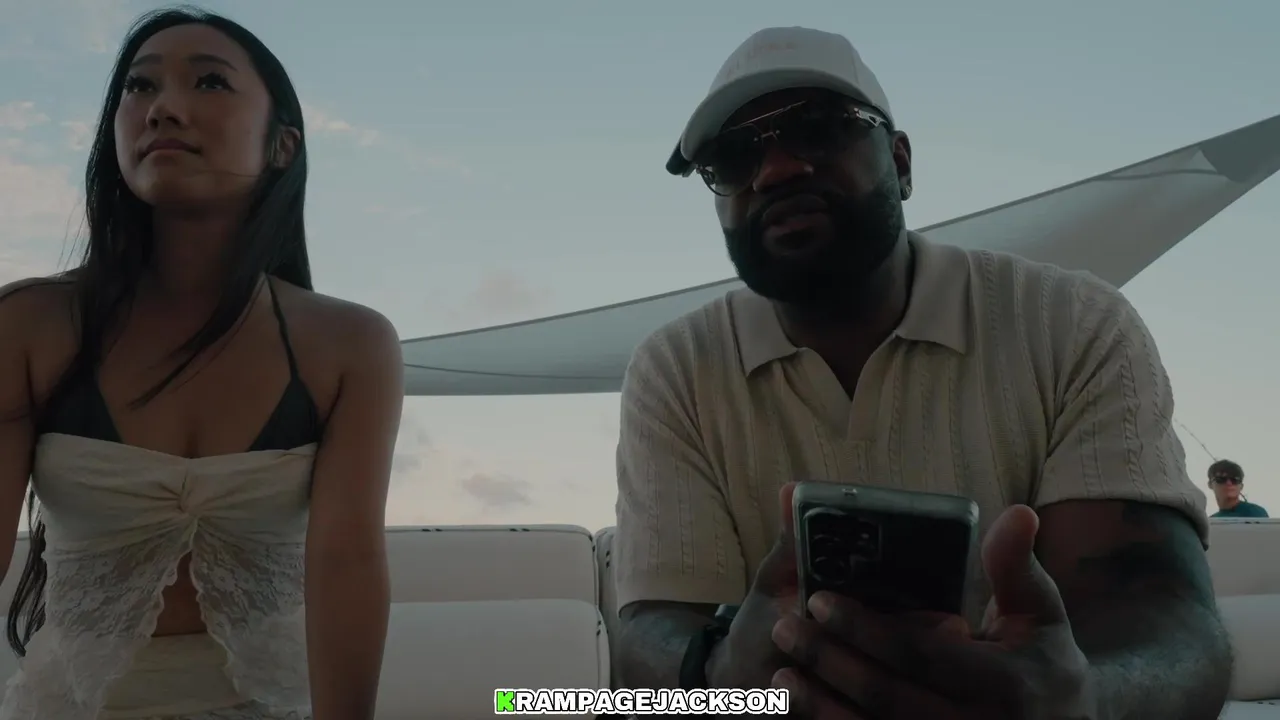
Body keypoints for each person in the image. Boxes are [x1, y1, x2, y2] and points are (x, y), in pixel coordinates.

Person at [612, 26, 1231, 720]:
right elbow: (648, 635)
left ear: (901, 163)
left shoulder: (1073, 324)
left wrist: (1085, 699)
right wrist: (719, 672)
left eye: (819, 128)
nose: (776, 171)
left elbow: (1166, 618)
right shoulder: (677, 369)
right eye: (731, 158)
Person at [0, 8, 402, 720]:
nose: (163, 108)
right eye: (139, 86)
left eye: (210, 82)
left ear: (282, 146)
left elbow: (348, 565)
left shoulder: (350, 344)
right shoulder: (29, 324)